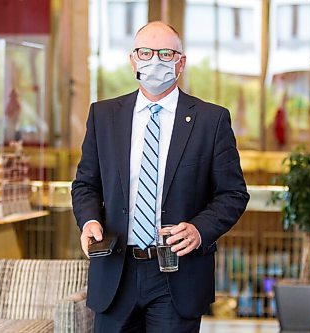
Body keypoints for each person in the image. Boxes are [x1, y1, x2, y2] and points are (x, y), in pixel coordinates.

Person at [71, 21, 249, 333]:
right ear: (132, 60)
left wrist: (198, 229)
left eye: (166, 53)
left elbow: (233, 193)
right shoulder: (103, 116)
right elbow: (86, 183)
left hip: (177, 274)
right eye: (146, 52)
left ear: (181, 63)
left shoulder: (211, 120)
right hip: (116, 271)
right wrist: (88, 220)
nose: (155, 60)